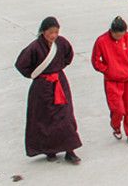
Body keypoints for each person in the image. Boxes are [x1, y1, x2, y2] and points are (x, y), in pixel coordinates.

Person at [15, 17, 83, 164]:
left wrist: (57, 69)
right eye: (50, 32)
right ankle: (50, 150)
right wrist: (37, 75)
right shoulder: (34, 47)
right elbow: (21, 65)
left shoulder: (61, 43)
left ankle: (70, 150)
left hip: (59, 84)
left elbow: (68, 56)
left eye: (56, 32)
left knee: (66, 117)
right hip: (42, 88)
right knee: (45, 119)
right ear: (43, 31)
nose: (53, 35)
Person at [92, 16, 128, 147]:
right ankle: (116, 126)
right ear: (112, 32)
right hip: (112, 81)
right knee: (118, 110)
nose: (120, 38)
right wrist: (107, 70)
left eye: (122, 35)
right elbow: (96, 61)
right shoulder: (101, 41)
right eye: (117, 35)